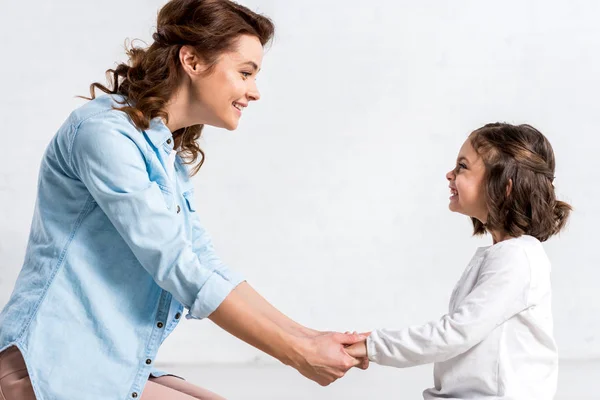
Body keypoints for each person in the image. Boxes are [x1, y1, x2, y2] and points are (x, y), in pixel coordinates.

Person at [0, 1, 367, 399]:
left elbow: (202, 261)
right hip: (46, 367)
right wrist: (296, 353)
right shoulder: (103, 134)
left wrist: (309, 337)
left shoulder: (161, 152)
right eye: (245, 73)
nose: (255, 91)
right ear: (191, 60)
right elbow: (175, 264)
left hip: (110, 367)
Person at [346, 123, 571, 399]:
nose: (449, 174)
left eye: (462, 167)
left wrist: (371, 346)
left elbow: (454, 333)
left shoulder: (518, 258)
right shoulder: (505, 255)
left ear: (504, 187)